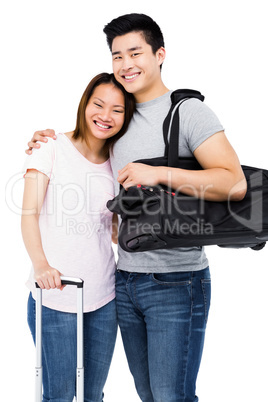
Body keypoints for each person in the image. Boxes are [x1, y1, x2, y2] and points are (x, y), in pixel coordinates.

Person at [25, 14, 247, 402]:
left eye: (135, 52)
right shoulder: (119, 121)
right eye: (117, 55)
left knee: (170, 396)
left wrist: (158, 172)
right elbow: (86, 156)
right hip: (123, 282)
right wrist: (45, 139)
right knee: (148, 395)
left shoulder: (188, 112)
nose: (126, 64)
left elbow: (234, 182)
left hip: (176, 282)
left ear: (160, 55)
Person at [21, 72, 135, 402]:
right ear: (85, 104)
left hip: (103, 296)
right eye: (98, 104)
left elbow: (110, 230)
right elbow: (28, 214)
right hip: (54, 296)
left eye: (117, 110)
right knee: (59, 394)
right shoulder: (50, 147)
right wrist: (42, 266)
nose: (105, 116)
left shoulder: (118, 162)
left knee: (91, 395)